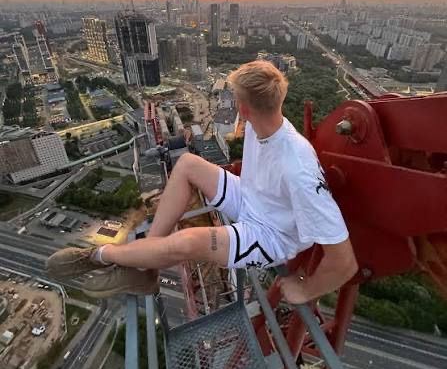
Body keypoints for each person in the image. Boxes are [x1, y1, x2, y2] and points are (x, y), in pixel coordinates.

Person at [47, 60, 358, 303]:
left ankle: (99, 256)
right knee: (187, 164)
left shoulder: (297, 168)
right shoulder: (262, 124)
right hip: (254, 199)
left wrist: (305, 290)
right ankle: (146, 267)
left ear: (243, 108)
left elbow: (344, 262)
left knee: (189, 242)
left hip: (271, 234)